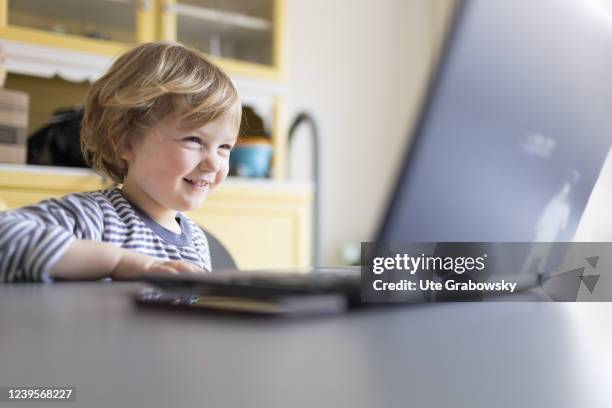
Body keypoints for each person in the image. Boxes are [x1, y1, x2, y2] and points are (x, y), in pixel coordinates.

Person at [0, 41, 241, 282]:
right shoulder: (94, 218)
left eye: (224, 147)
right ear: (126, 143)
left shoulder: (196, 240)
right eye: (194, 140)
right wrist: (118, 262)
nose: (213, 164)